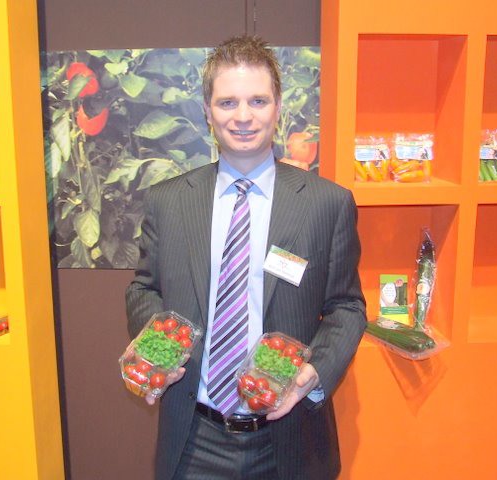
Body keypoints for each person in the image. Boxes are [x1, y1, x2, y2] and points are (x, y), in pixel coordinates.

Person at [126, 35, 366, 480]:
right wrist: (155, 343)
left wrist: (314, 373)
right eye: (227, 102)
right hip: (194, 438)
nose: (242, 116)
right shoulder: (168, 202)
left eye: (257, 100)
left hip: (290, 435)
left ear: (278, 107)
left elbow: (347, 307)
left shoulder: (326, 204)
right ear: (207, 111)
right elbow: (144, 288)